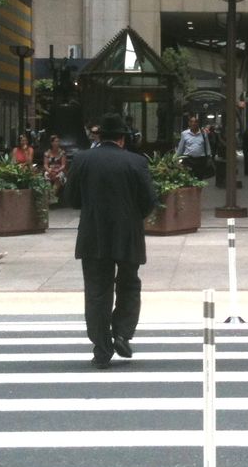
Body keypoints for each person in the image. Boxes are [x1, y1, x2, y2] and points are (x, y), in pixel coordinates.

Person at [64, 113, 157, 369]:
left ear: (99, 136)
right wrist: (132, 216)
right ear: (122, 139)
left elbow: (70, 199)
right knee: (129, 285)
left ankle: (102, 348)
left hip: (93, 234)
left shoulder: (82, 159)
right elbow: (149, 201)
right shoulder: (136, 162)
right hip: (127, 234)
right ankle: (122, 333)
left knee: (96, 292)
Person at [175, 115, 212, 179]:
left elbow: (207, 146)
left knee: (199, 179)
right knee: (188, 179)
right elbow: (180, 148)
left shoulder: (203, 133)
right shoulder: (184, 134)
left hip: (200, 160)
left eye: (195, 122)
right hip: (188, 160)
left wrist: (209, 157)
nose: (193, 123)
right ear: (189, 123)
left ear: (198, 123)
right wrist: (176, 158)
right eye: (191, 122)